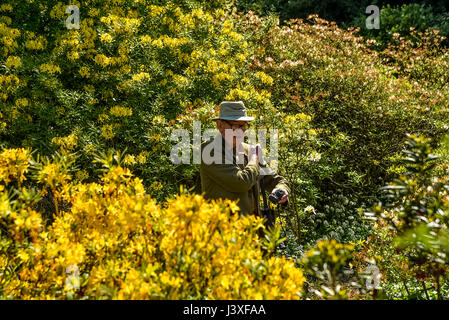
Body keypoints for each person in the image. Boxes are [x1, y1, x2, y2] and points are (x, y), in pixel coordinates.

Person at [200, 101, 290, 221]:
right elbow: (241, 182)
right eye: (235, 125)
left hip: (252, 231)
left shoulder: (248, 150)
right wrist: (254, 160)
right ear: (219, 125)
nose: (240, 131)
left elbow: (273, 178)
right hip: (223, 232)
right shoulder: (209, 150)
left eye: (243, 126)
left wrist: (282, 189)